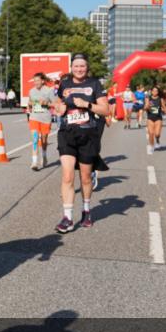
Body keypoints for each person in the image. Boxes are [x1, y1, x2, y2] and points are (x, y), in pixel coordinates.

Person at [53, 54, 110, 232]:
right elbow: (59, 103)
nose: (79, 69)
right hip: (67, 134)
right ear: (71, 67)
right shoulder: (65, 84)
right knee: (67, 176)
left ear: (87, 67)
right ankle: (67, 218)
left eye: (82, 66)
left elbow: (106, 110)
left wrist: (87, 105)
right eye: (76, 66)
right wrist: (59, 107)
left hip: (88, 134)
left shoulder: (95, 84)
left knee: (85, 178)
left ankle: (86, 210)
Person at [26, 72, 55, 170]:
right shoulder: (31, 91)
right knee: (34, 139)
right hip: (34, 117)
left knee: (44, 140)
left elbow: (54, 103)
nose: (36, 83)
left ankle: (44, 156)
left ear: (42, 81)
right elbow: (29, 102)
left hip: (45, 118)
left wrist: (46, 103)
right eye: (34, 81)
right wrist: (29, 104)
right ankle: (34, 162)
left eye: (38, 80)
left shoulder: (49, 90)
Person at [145, 85, 166, 154]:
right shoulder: (148, 98)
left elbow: (164, 106)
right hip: (150, 118)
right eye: (153, 90)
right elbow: (146, 106)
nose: (155, 92)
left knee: (157, 134)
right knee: (151, 133)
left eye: (156, 91)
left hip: (158, 118)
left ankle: (157, 139)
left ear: (158, 92)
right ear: (151, 92)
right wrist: (147, 107)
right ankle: (151, 146)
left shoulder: (160, 99)